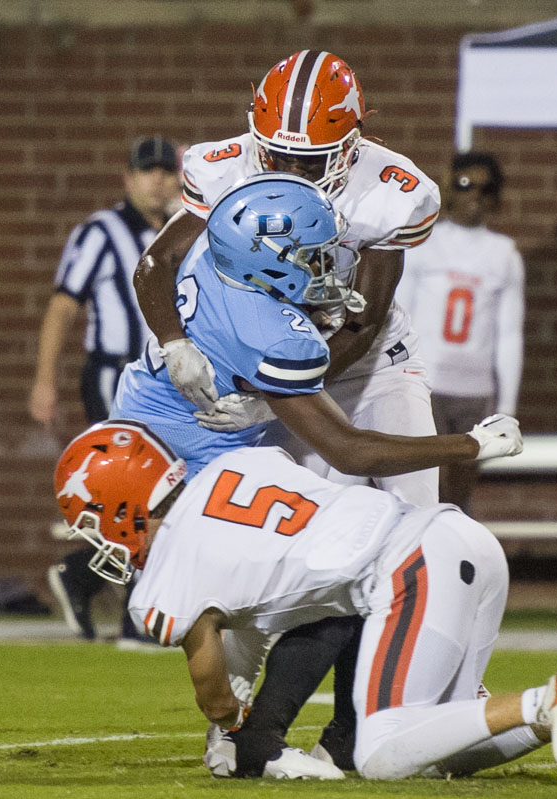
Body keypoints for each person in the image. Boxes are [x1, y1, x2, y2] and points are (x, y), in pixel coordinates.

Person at [131, 49, 441, 776]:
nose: (292, 172)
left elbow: (361, 325)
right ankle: (236, 720)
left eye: (313, 160)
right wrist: (176, 343)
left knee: (419, 539)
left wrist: (275, 390)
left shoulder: (391, 191)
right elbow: (156, 265)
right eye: (279, 155)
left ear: (353, 141)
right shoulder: (222, 166)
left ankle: (409, 703)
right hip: (269, 371)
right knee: (263, 559)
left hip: (367, 370)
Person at [52, 420, 557, 782]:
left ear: (122, 506)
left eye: (93, 522)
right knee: (433, 744)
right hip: (462, 539)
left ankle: (549, 695)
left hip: (408, 571)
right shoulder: (240, 462)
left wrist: (235, 727)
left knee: (380, 750)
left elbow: (211, 685)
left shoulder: (167, 574)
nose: (98, 539)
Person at [27, 134, 182, 644]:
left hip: (168, 379)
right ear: (129, 178)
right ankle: (132, 615)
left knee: (164, 490)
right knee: (138, 490)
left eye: (167, 169)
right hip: (116, 374)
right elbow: (63, 305)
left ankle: (84, 575)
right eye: (149, 170)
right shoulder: (101, 231)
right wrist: (44, 379)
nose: (159, 179)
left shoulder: (185, 230)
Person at [396, 151, 524, 512]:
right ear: (450, 188)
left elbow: (510, 334)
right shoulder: (425, 241)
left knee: (459, 495)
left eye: (487, 188)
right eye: (466, 185)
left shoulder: (505, 254)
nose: (475, 196)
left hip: (474, 389)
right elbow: (400, 313)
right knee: (423, 485)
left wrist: (507, 405)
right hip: (426, 382)